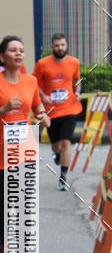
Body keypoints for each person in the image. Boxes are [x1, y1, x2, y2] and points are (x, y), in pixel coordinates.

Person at [0, 35, 50, 253]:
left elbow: (36, 106)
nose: (19, 54)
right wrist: (4, 109)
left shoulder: (30, 81)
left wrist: (43, 116)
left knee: (25, 204)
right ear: (2, 56)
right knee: (7, 206)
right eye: (13, 50)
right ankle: (4, 246)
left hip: (26, 152)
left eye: (21, 50)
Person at [33, 33, 81, 191]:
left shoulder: (74, 62)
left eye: (63, 45)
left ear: (66, 45)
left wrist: (78, 91)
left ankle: (63, 176)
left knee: (66, 142)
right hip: (51, 111)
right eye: (57, 45)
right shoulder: (42, 64)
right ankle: (57, 155)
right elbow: (34, 82)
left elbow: (76, 79)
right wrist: (43, 95)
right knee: (55, 146)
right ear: (52, 47)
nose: (60, 48)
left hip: (69, 109)